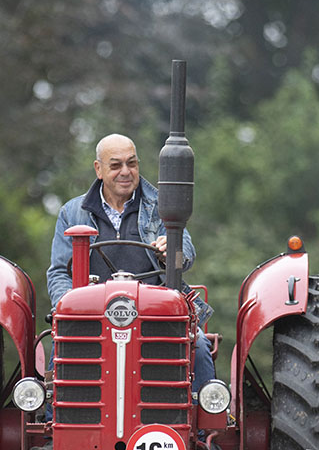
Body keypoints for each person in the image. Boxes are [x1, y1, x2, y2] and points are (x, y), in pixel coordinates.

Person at [47, 133, 215, 392]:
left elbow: (186, 255)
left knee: (200, 346)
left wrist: (171, 251)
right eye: (115, 165)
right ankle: (55, 426)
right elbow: (59, 272)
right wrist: (70, 311)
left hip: (156, 316)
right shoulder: (72, 212)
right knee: (62, 345)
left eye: (132, 163)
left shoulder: (162, 206)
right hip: (93, 318)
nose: (125, 172)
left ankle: (201, 426)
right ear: (98, 169)